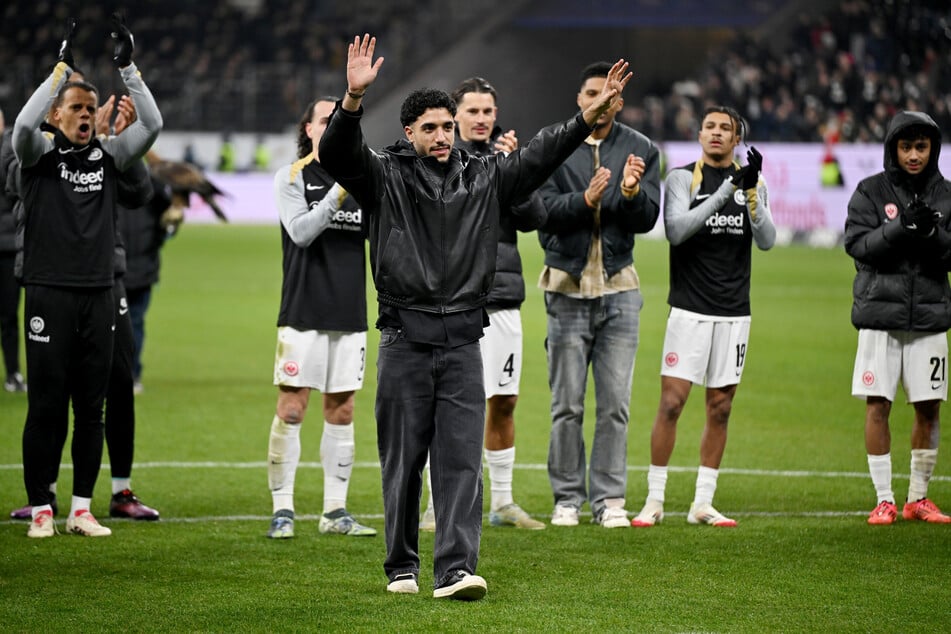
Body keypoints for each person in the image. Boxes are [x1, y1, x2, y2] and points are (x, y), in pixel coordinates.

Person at [318, 34, 630, 600]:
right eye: (430, 128)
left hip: (464, 338)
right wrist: (352, 100)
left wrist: (585, 118)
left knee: (462, 462)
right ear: (410, 132)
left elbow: (539, 154)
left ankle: (456, 569)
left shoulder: (487, 175)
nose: (442, 136)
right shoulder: (384, 174)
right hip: (403, 339)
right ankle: (401, 567)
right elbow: (336, 154)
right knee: (403, 465)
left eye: (447, 126)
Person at [13, 14, 162, 538]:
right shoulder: (38, 156)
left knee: (91, 408)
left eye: (86, 109)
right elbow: (23, 128)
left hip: (99, 293)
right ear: (57, 115)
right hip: (49, 292)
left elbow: (152, 126)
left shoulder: (109, 155)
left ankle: (81, 509)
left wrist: (128, 69)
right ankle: (41, 508)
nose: (83, 115)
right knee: (46, 404)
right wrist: (60, 74)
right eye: (74, 108)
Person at [630, 106, 776, 529]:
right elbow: (677, 230)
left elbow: (766, 240)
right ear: (699, 135)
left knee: (721, 408)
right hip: (689, 309)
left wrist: (750, 197)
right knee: (672, 403)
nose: (715, 133)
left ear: (736, 139)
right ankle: (654, 500)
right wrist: (727, 188)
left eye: (725, 129)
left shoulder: (756, 184)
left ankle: (702, 503)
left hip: (734, 313)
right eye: (709, 127)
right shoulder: (681, 177)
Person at [419, 77, 547, 532]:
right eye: (472, 111)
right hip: (455, 304)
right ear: (455, 117)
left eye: (488, 112)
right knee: (447, 407)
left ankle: (504, 502)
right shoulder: (439, 162)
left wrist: (514, 168)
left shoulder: (506, 160)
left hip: (503, 299)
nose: (481, 119)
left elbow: (535, 218)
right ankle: (437, 505)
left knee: (504, 401)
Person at [537, 61, 660, 528]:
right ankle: (567, 498)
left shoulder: (641, 148)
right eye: (592, 93)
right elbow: (542, 212)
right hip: (566, 287)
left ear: (619, 101)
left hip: (619, 289)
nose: (599, 100)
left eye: (608, 95)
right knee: (566, 404)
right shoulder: (554, 145)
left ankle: (609, 500)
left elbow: (647, 218)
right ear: (579, 98)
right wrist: (584, 201)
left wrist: (629, 194)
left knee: (615, 405)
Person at [266, 97, 376, 540]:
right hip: (303, 310)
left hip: (350, 312)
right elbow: (302, 233)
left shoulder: (366, 179)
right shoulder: (291, 177)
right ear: (309, 130)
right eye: (324, 121)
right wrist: (340, 190)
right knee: (292, 408)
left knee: (343, 410)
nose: (332, 127)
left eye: (338, 121)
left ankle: (335, 511)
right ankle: (283, 509)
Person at [844, 110, 951, 525]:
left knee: (928, 408)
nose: (913, 155)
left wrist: (930, 234)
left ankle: (918, 499)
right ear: (893, 148)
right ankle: (885, 499)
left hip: (929, 316)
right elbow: (857, 245)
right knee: (878, 404)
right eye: (905, 147)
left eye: (920, 147)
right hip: (879, 317)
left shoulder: (946, 195)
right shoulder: (870, 191)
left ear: (932, 149)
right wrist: (900, 228)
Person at [0, 107, 27, 392]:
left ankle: (13, 373)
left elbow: (8, 180)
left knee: (9, 315)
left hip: (7, 247)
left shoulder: (11, 147)